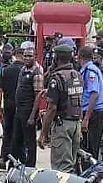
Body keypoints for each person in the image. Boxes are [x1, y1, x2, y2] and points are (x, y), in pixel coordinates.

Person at [39, 44, 83, 173]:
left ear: (56, 58)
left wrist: (43, 133)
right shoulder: (77, 75)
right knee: (72, 164)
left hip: (62, 125)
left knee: (62, 168)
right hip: (75, 125)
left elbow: (52, 108)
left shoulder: (57, 78)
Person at [12, 47, 43, 167]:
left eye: (29, 56)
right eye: (25, 55)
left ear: (35, 57)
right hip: (19, 110)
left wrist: (32, 116)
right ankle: (18, 164)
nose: (26, 58)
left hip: (28, 111)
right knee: (16, 139)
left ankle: (30, 166)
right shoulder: (23, 69)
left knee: (30, 141)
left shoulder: (37, 72)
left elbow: (38, 95)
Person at [0, 47, 24, 169]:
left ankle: (3, 157)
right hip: (22, 106)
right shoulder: (26, 71)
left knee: (7, 131)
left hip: (8, 105)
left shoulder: (6, 70)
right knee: (19, 133)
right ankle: (18, 159)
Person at [78, 45, 103, 159]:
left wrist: (86, 119)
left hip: (93, 113)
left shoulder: (90, 71)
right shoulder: (87, 69)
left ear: (79, 57)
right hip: (90, 111)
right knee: (85, 146)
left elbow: (94, 94)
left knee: (91, 147)